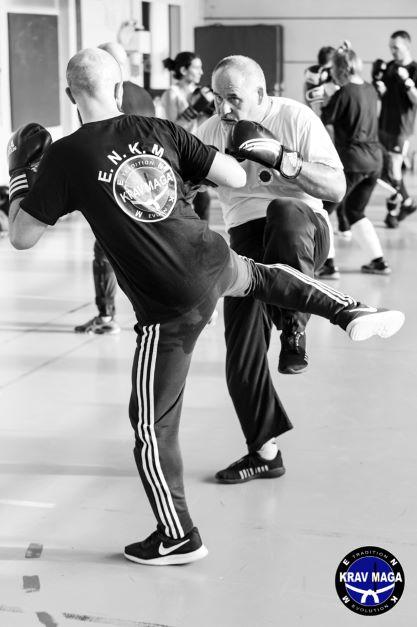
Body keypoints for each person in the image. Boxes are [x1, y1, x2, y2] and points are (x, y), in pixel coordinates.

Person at [7, 48, 403, 565]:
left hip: (167, 302)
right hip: (211, 258)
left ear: (70, 95)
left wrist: (21, 177)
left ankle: (177, 536)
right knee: (263, 278)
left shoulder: (65, 155)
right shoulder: (160, 129)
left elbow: (22, 237)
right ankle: (349, 310)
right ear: (121, 88)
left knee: (152, 425)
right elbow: (234, 177)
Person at [196, 54, 347, 478]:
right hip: (247, 241)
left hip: (302, 230)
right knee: (241, 349)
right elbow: (186, 188)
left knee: (283, 210)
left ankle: (294, 326)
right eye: (217, 98)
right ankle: (264, 453)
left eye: (233, 98)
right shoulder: (210, 130)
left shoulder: (294, 118)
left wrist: (284, 160)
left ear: (260, 93)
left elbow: (337, 187)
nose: (224, 108)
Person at [74, 41, 155, 335]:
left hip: (115, 187)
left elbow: (94, 143)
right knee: (152, 249)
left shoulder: (101, 97)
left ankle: (107, 316)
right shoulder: (144, 95)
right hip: (150, 184)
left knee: (104, 252)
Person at [319, 43, 390, 277]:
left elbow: (325, 118)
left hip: (352, 161)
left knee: (321, 210)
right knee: (355, 211)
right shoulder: (370, 89)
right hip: (374, 161)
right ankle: (379, 262)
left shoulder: (343, 92)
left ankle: (328, 265)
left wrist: (325, 98)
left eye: (334, 70)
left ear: (341, 69)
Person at [161, 52, 214, 222]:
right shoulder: (172, 93)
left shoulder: (200, 92)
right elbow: (172, 130)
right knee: (184, 202)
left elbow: (202, 125)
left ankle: (203, 236)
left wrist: (209, 111)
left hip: (198, 150)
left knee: (203, 201)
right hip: (180, 154)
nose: (201, 72)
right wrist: (194, 109)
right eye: (197, 68)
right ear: (184, 70)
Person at [373, 30, 417, 228]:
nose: (392, 51)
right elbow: (384, 95)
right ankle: (405, 202)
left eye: (396, 47)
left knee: (394, 167)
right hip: (383, 123)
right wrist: (380, 89)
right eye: (391, 47)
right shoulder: (390, 66)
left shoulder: (414, 69)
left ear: (407, 46)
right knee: (386, 169)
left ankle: (394, 209)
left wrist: (407, 82)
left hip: (401, 128)